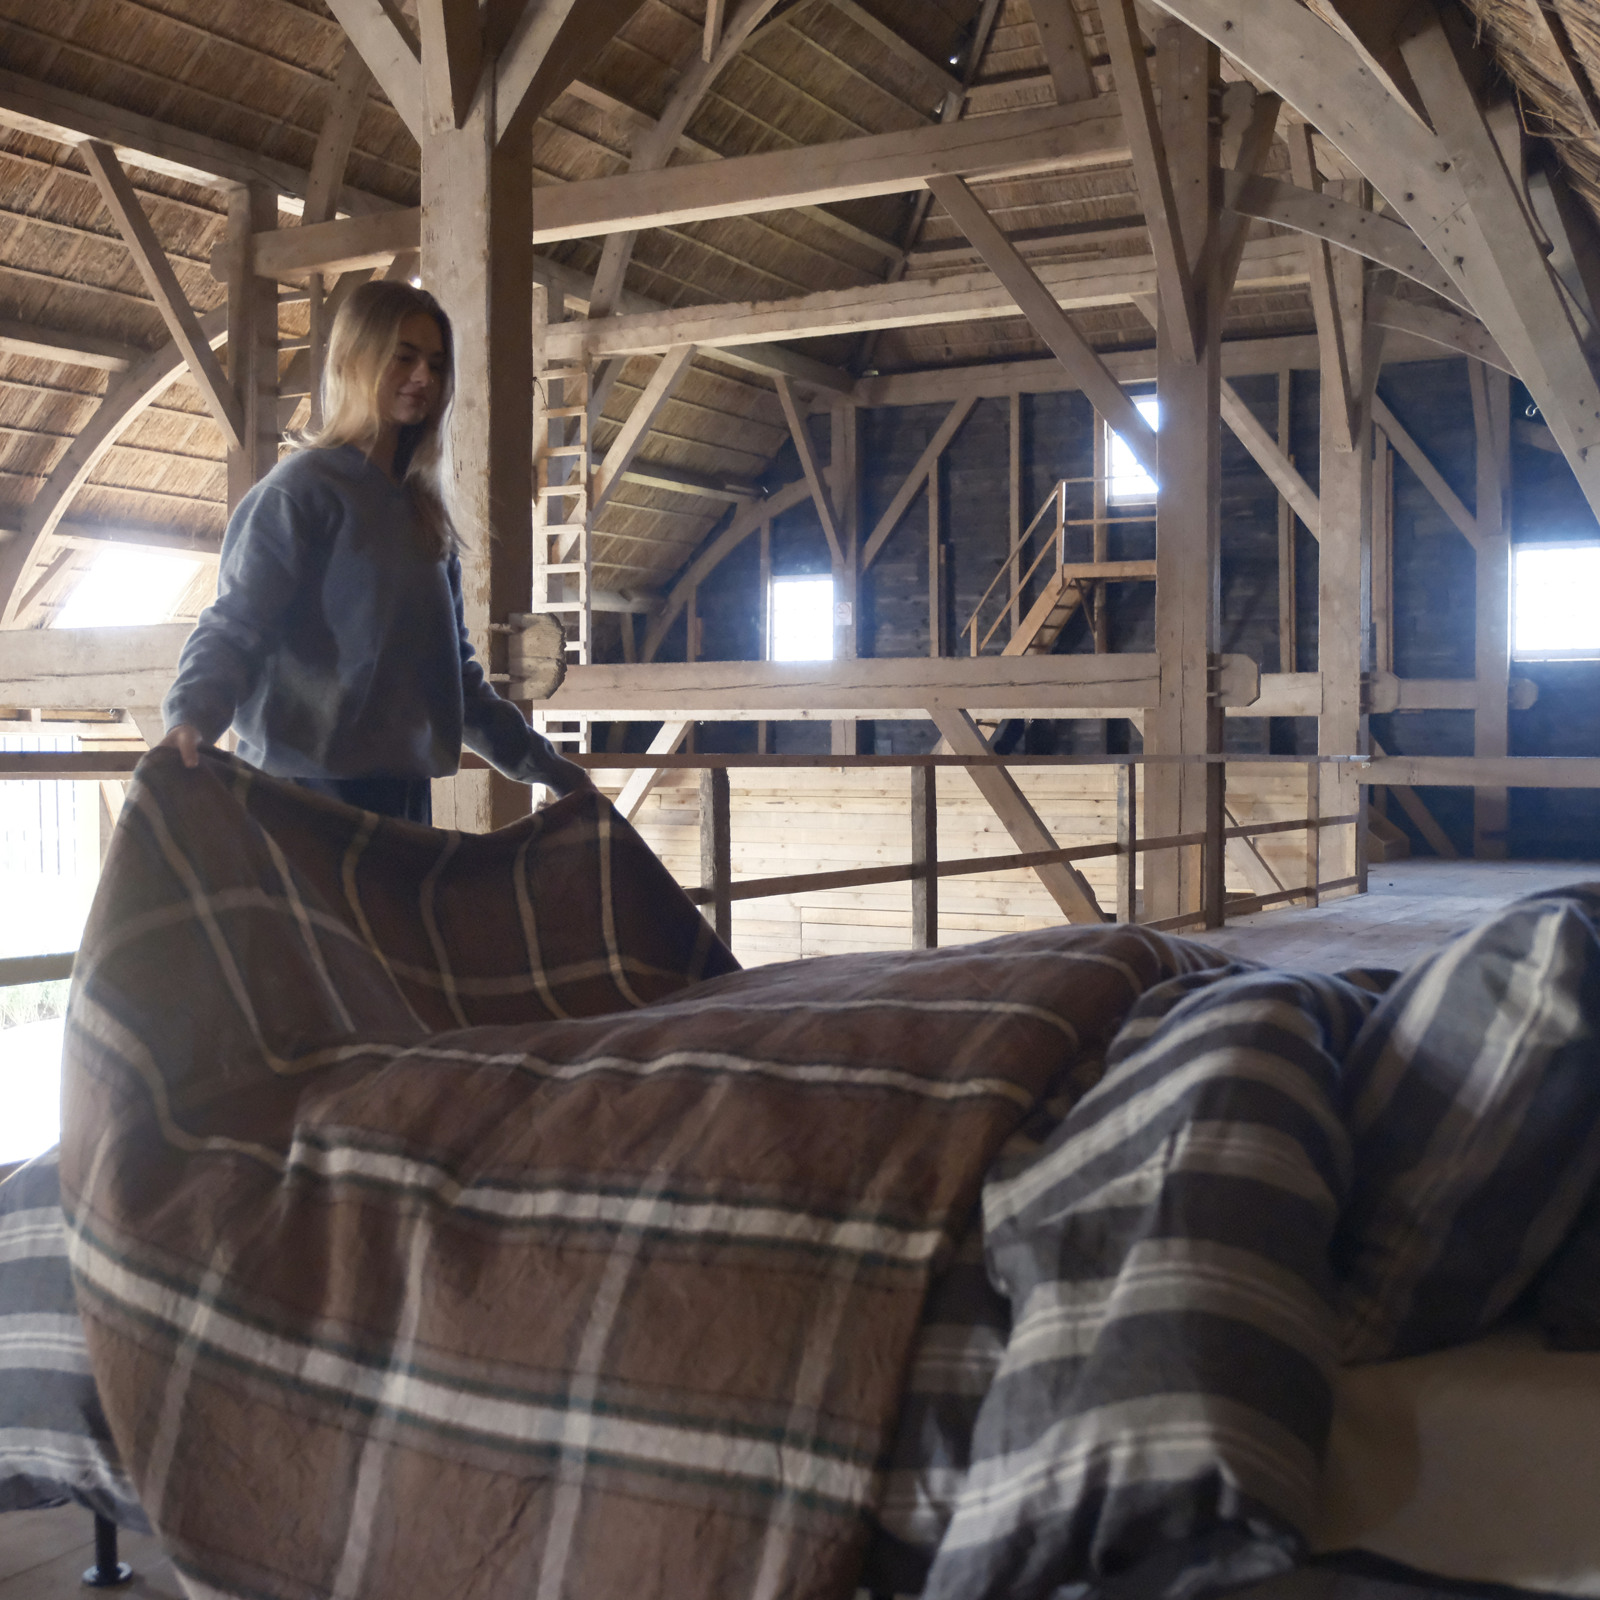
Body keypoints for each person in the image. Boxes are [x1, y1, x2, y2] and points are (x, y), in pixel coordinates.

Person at [160, 280, 589, 824]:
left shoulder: (422, 510)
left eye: (435, 364)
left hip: (401, 796)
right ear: (354, 361)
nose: (423, 378)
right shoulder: (298, 493)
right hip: (302, 795)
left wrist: (549, 769)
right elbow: (233, 627)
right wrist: (189, 719)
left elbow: (457, 680)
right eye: (403, 358)